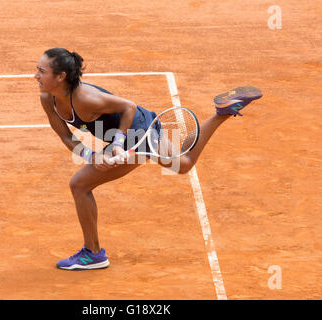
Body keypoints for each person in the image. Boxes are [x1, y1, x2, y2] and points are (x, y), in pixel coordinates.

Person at [35, 48, 262, 270]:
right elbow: (64, 134)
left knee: (79, 184)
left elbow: (128, 107)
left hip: (136, 130)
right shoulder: (48, 98)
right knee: (184, 164)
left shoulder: (86, 99)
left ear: (61, 77)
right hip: (129, 130)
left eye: (41, 71)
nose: (35, 75)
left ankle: (93, 254)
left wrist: (115, 145)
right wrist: (91, 155)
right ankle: (221, 113)